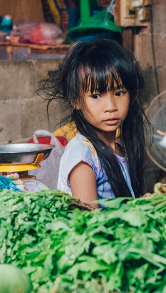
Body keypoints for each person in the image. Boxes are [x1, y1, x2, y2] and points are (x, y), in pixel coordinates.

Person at [40, 38, 147, 208]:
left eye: (119, 93)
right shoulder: (83, 156)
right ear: (76, 100)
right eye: (96, 96)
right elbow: (90, 227)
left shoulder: (117, 149)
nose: (111, 107)